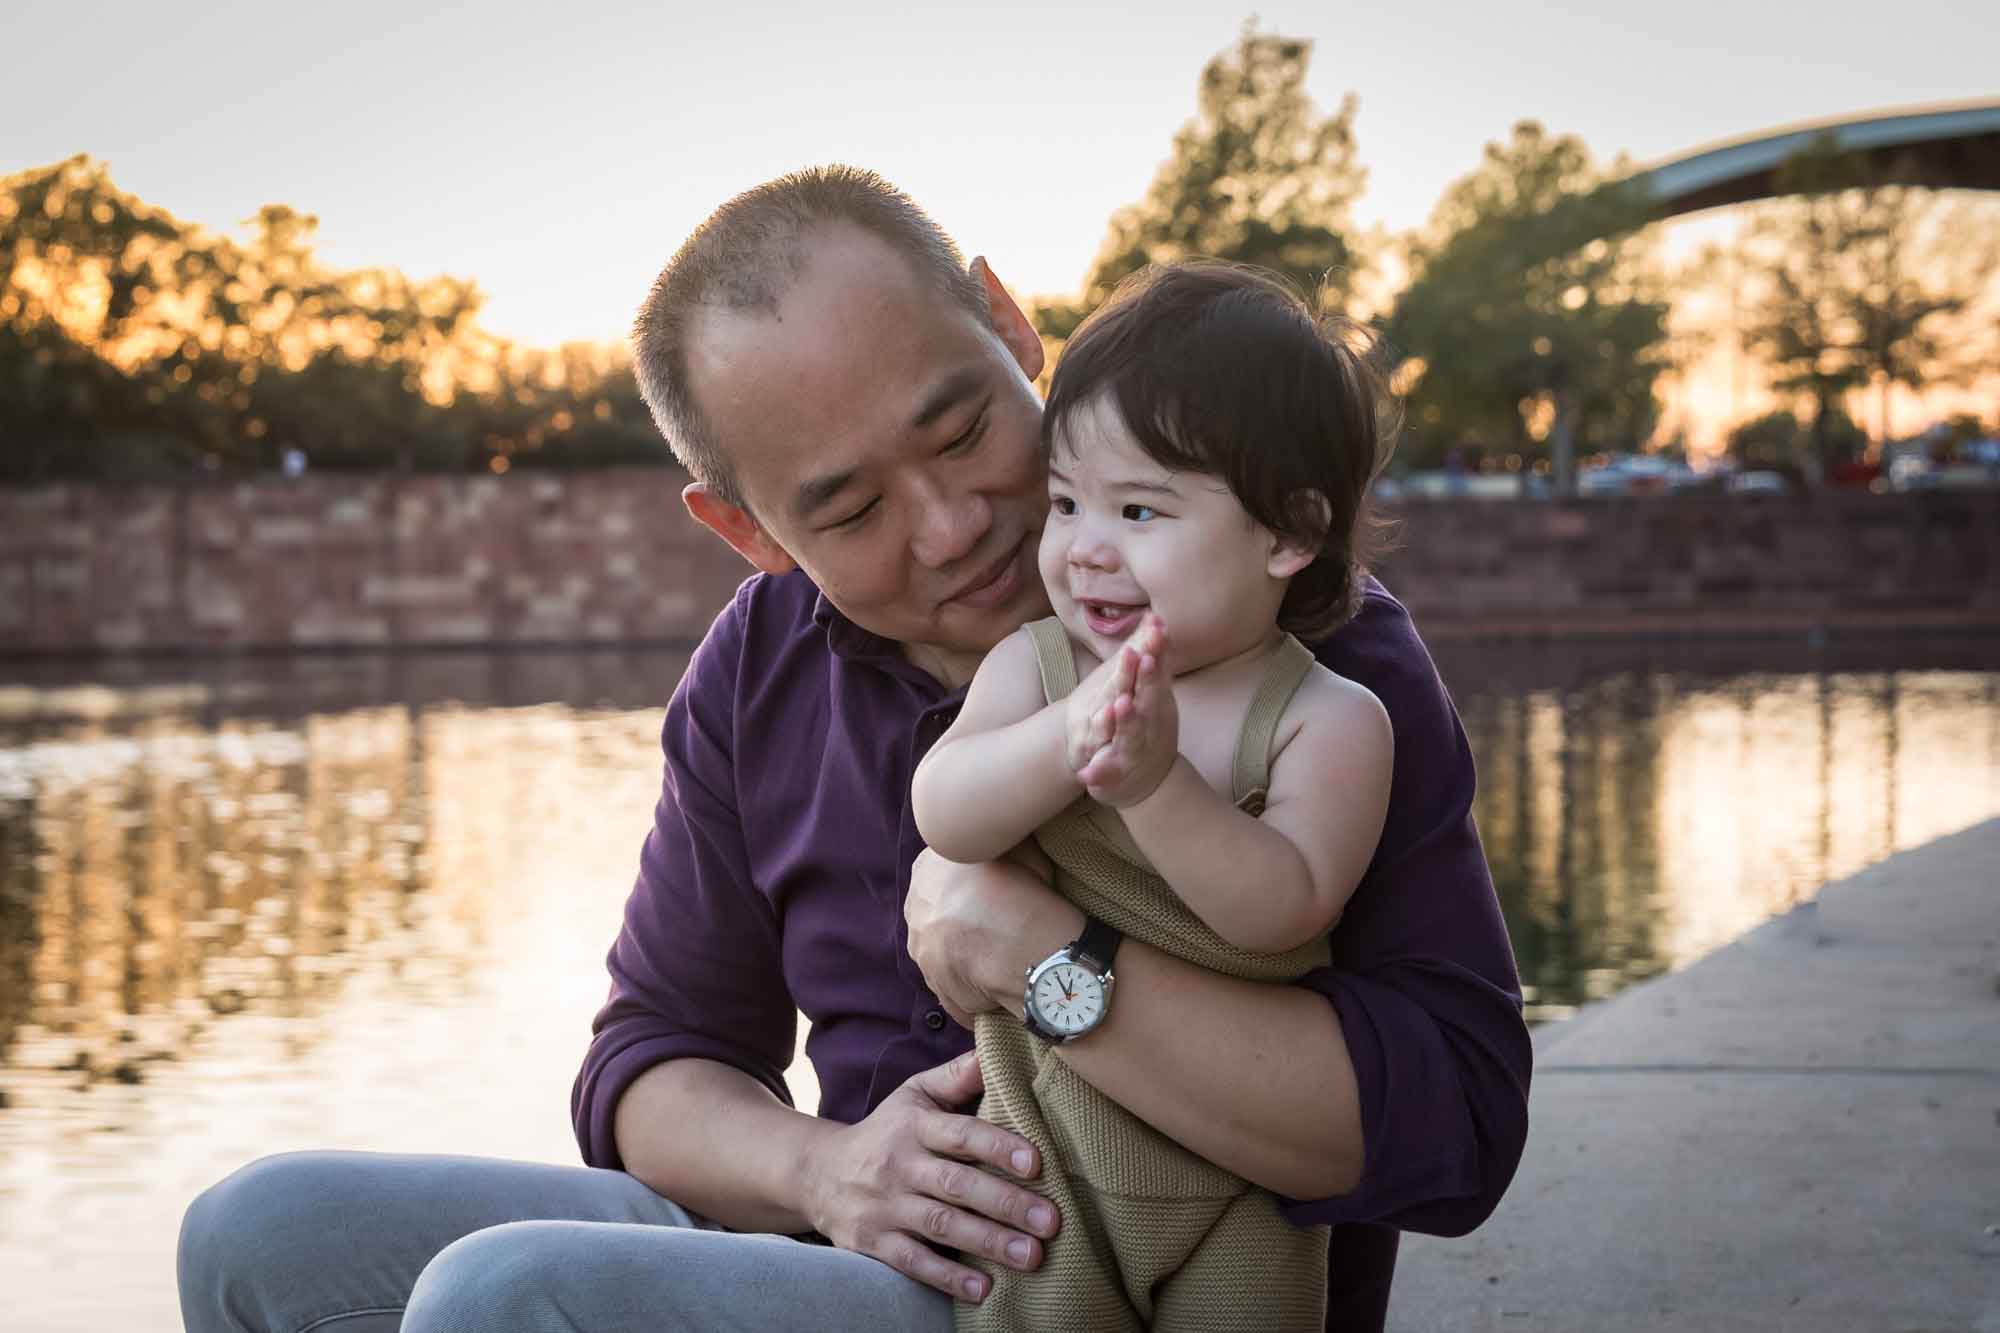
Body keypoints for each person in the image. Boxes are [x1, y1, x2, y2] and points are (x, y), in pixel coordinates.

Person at [177, 166, 1530, 1333]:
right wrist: (829, 1172)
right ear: (748, 531)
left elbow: (1458, 1124)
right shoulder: (760, 667)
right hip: (840, 1247)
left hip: (1068, 1291)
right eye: (851, 507)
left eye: (962, 430)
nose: (954, 526)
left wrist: (1045, 964)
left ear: (1013, 328)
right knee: (256, 1235)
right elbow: (654, 1065)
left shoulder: (1284, 639)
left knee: (499, 1304)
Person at [912, 261, 1395, 1331]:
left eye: (1137, 508)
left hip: (1238, 1186)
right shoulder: (1036, 671)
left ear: (1285, 533)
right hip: (1046, 1171)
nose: (1084, 547)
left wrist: (1153, 785)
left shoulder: (1326, 718)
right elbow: (943, 812)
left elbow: (1282, 909)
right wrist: (1063, 743)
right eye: (1065, 502)